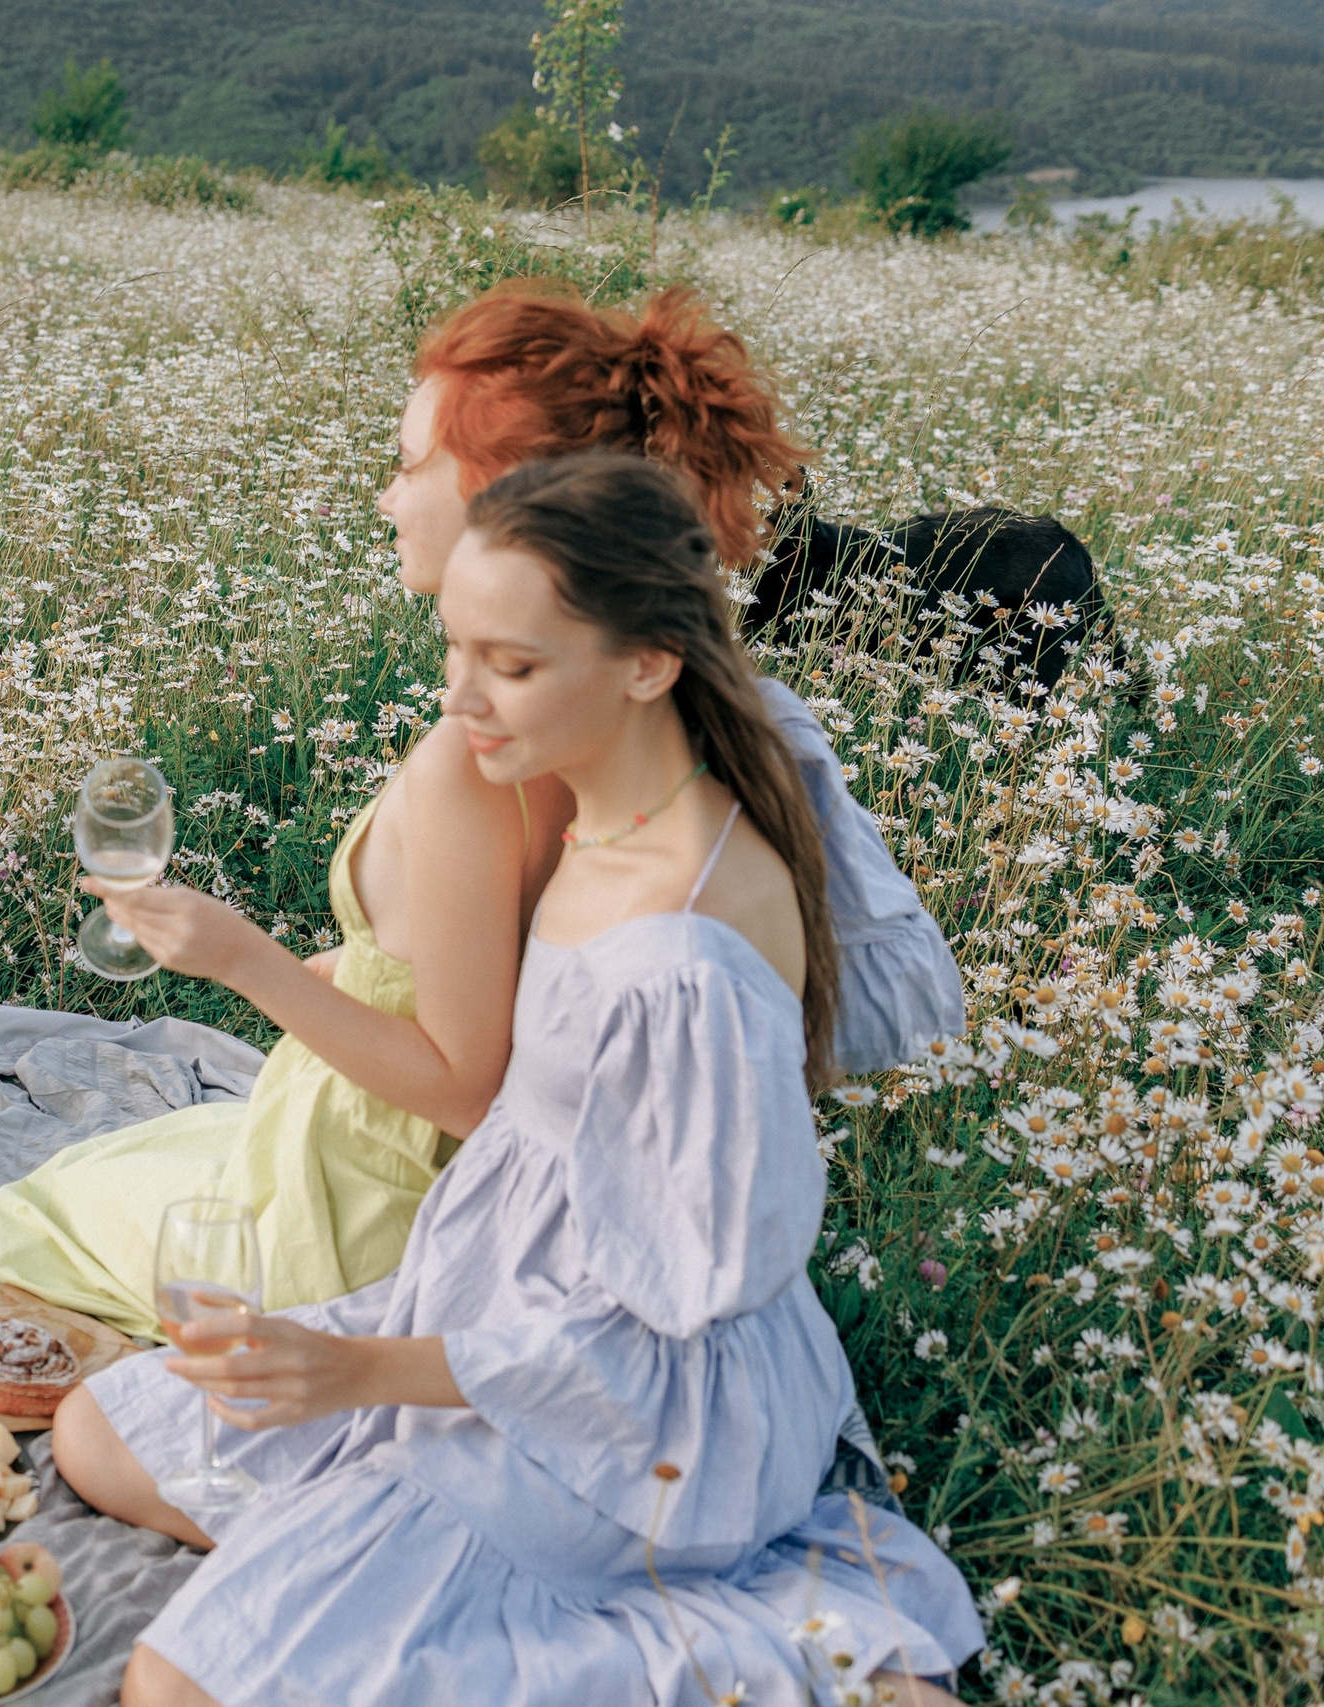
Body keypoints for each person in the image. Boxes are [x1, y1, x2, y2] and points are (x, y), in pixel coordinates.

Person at [61, 453, 982, 1707]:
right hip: (499, 1299)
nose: (460, 700)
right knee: (104, 1432)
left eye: (510, 666)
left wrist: (361, 1373)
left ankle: (726, 1640)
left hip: (643, 1429)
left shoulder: (678, 964)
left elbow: (658, 1342)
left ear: (648, 663)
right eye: (457, 649)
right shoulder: (628, 791)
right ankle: (418, 1582)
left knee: (177, 1684)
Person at [0, 284, 960, 1337]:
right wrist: (357, 970)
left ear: (501, 492)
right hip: (463, 1170)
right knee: (130, 1162)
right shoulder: (631, 724)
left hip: (385, 1200)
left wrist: (241, 959)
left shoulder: (470, 765)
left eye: (408, 466)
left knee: (43, 1208)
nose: (386, 498)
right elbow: (523, 973)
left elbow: (464, 1087)